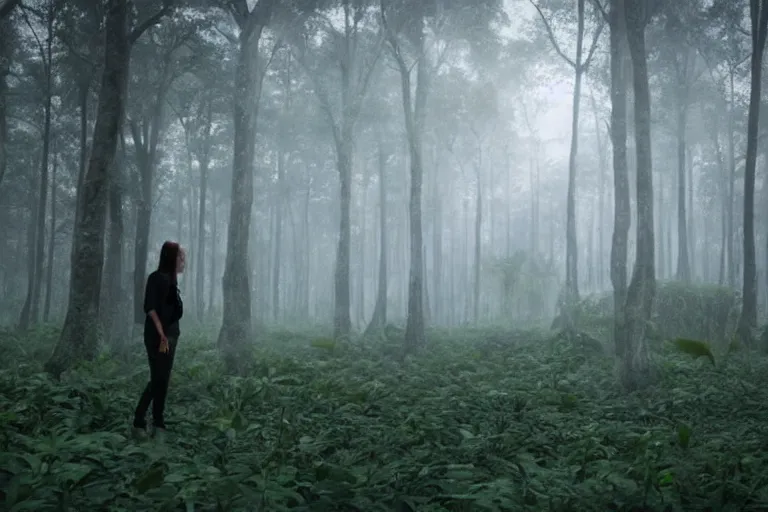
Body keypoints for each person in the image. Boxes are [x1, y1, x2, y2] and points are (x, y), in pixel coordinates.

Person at [132, 241, 185, 438]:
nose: (183, 262)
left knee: (162, 379)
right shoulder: (156, 278)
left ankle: (158, 423)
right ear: (171, 258)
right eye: (180, 258)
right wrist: (161, 333)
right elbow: (150, 307)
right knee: (159, 378)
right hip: (157, 336)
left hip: (171, 336)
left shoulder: (172, 281)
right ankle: (139, 420)